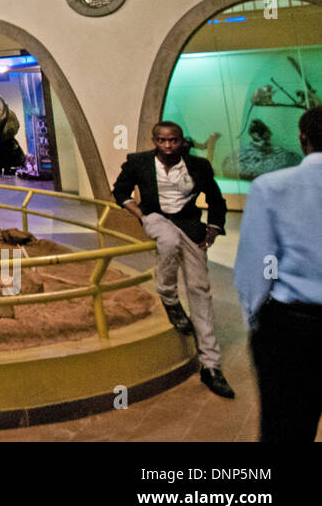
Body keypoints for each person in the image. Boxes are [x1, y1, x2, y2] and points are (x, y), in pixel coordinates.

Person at [113, 120, 234, 399]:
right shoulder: (138, 162)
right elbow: (120, 192)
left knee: (200, 290)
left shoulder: (199, 166)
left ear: (182, 142)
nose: (168, 145)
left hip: (190, 224)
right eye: (162, 140)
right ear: (155, 141)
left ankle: (211, 365)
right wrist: (140, 214)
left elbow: (216, 200)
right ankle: (168, 296)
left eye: (173, 141)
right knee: (167, 240)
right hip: (155, 217)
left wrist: (213, 229)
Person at [234, 106, 322, 441]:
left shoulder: (271, 187)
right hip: (292, 326)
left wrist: (256, 319)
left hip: (292, 330)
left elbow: (256, 265)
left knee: (286, 429)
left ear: (303, 139)